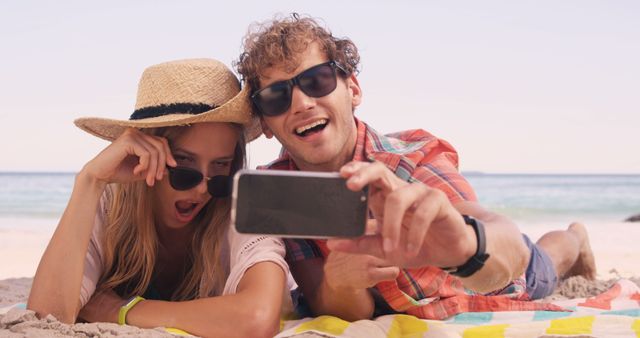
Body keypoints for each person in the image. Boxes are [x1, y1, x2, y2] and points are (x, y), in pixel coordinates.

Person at [235, 14, 597, 321]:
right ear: (266, 123)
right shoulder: (277, 192)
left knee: (547, 259)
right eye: (276, 96)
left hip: (497, 281)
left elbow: (504, 244)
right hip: (396, 306)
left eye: (317, 80)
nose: (300, 102)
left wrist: (465, 246)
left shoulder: (410, 159)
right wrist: (341, 282)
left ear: (353, 90)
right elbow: (333, 305)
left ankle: (576, 238)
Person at [27, 59, 292, 338]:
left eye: (220, 168)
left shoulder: (243, 207)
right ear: (144, 151)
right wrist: (89, 181)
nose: (202, 189)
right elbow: (47, 316)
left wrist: (122, 310)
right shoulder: (110, 204)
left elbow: (259, 318)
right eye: (184, 165)